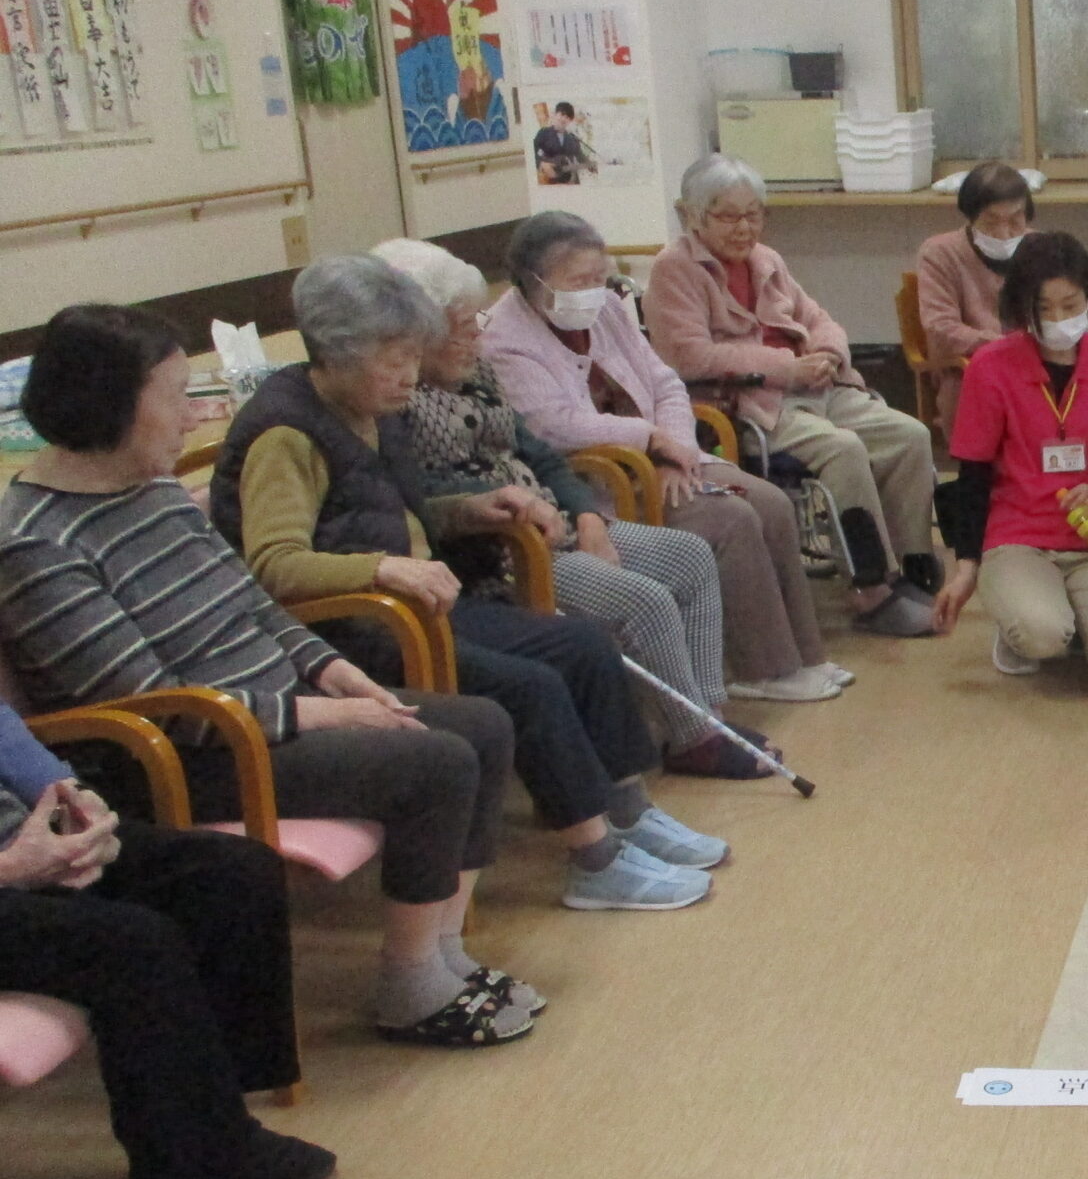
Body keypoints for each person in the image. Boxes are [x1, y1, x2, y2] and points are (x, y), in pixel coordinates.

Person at [0, 304, 537, 1049]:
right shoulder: (36, 542)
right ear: (111, 404)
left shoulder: (153, 491)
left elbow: (254, 604)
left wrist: (333, 671)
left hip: (271, 710)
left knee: (482, 722)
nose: (195, 416)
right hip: (191, 752)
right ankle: (411, 983)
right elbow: (152, 703)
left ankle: (443, 954)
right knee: (435, 760)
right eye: (177, 397)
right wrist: (330, 715)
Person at [213, 255, 724, 911]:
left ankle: (628, 811)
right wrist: (382, 568)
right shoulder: (286, 433)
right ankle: (595, 860)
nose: (409, 374)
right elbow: (273, 564)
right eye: (393, 359)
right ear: (337, 355)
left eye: (412, 355)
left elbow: (393, 509)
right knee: (531, 686)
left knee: (583, 647)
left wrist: (469, 510)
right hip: (351, 632)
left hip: (417, 606)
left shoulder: (372, 405)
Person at [372, 238, 763, 781]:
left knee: (690, 556)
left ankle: (707, 719)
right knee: (644, 600)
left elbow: (538, 453)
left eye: (475, 321)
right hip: (509, 550)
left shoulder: (477, 376)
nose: (477, 337)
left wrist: (587, 516)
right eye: (462, 327)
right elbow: (420, 496)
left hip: (560, 522)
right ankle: (694, 737)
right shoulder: (395, 404)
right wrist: (518, 512)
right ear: (420, 334)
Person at [0, 700, 337, 1179]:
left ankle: (222, 1133)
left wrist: (74, 804)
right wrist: (12, 870)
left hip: (21, 844)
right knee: (132, 947)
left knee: (231, 873)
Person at [479, 210, 846, 703]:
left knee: (772, 503)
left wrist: (675, 448)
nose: (594, 290)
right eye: (579, 281)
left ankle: (805, 655)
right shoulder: (504, 340)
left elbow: (665, 381)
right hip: (599, 477)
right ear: (533, 280)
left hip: (665, 458)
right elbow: (553, 425)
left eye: (599, 277)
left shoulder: (607, 308)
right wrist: (651, 438)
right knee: (732, 518)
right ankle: (763, 668)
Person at [648, 154, 941, 623]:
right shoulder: (674, 270)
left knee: (910, 435)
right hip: (750, 404)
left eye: (754, 214)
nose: (745, 228)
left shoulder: (767, 260)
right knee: (843, 449)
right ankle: (870, 585)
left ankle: (912, 562)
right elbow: (690, 356)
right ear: (694, 216)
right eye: (729, 216)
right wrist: (788, 368)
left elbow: (819, 319)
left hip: (815, 386)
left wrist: (827, 355)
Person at [931, 233, 1088, 693]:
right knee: (1042, 634)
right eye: (1043, 309)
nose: (1058, 320)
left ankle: (1077, 615)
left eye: (1070, 305)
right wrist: (966, 568)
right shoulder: (990, 367)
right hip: (1018, 536)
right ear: (1021, 308)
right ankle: (1024, 625)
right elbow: (972, 476)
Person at [914, 160, 1034, 426]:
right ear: (971, 217)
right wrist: (1000, 347)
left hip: (1034, 364)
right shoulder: (940, 253)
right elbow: (940, 326)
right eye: (991, 222)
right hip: (970, 367)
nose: (1004, 233)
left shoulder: (1040, 248)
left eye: (1016, 221)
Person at [532, 101, 591, 185]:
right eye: (562, 114)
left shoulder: (572, 137)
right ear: (555, 114)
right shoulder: (543, 132)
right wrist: (542, 164)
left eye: (567, 117)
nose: (564, 119)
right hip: (549, 182)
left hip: (571, 182)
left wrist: (591, 165)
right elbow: (531, 153)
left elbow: (580, 156)